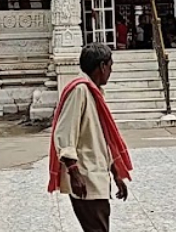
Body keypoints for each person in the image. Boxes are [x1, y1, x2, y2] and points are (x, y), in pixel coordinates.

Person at [48, 43, 132, 232]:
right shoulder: (80, 91)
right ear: (102, 66)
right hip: (86, 176)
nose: (110, 71)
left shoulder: (93, 92)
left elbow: (101, 139)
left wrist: (115, 173)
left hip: (97, 175)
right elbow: (64, 133)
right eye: (110, 66)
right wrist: (74, 172)